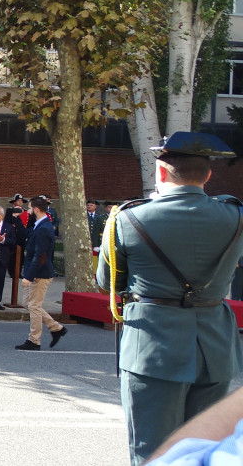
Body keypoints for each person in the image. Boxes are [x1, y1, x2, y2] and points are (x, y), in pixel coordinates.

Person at [96, 132, 243, 465]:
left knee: (153, 452)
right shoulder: (235, 215)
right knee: (204, 450)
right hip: (215, 349)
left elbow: (108, 282)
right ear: (208, 175)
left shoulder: (128, 217)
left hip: (153, 348)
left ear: (160, 172)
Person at [15, 196, 67, 351]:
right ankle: (56, 328)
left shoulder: (44, 228)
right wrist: (17, 220)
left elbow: (41, 255)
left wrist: (29, 276)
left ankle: (34, 340)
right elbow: (26, 235)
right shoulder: (39, 224)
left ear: (36, 209)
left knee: (34, 306)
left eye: (29, 208)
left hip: (40, 273)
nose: (28, 211)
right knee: (29, 304)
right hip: (36, 271)